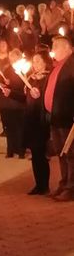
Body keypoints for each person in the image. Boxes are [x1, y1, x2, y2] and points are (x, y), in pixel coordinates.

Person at [42, 36, 74, 201]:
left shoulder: (72, 65)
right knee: (61, 153)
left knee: (71, 154)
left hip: (68, 118)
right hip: (55, 117)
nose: (52, 50)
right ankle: (64, 183)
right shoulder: (57, 66)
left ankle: (71, 187)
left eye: (56, 46)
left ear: (67, 48)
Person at [24, 50, 52, 194]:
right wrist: (10, 93)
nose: (34, 64)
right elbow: (25, 98)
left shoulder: (48, 79)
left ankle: (44, 185)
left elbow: (49, 98)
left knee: (41, 153)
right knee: (35, 154)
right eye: (33, 61)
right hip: (31, 120)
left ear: (45, 62)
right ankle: (38, 184)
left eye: (38, 61)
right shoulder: (30, 79)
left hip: (41, 121)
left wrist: (39, 95)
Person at [0, 48, 27, 158]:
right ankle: (10, 150)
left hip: (18, 103)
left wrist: (11, 85)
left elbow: (23, 86)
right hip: (7, 104)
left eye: (14, 58)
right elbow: (0, 80)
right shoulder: (7, 69)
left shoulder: (23, 70)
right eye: (10, 58)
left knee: (19, 128)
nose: (12, 60)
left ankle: (21, 150)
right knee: (9, 128)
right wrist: (3, 83)